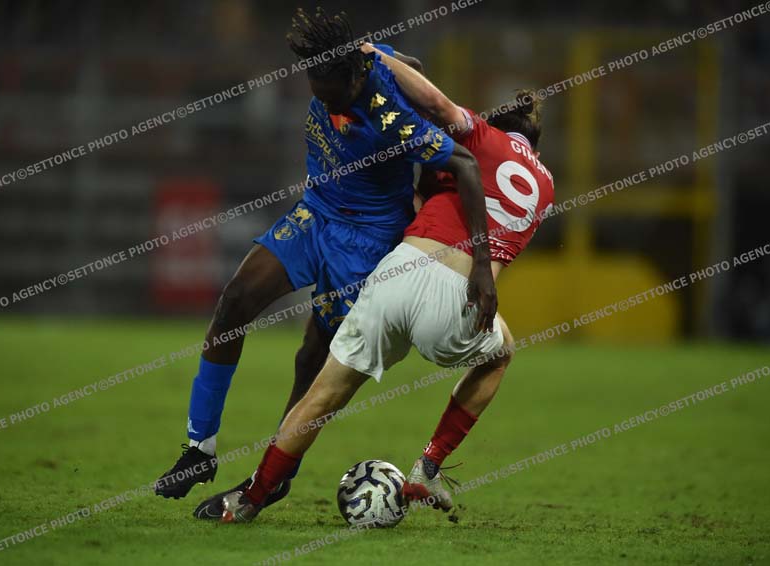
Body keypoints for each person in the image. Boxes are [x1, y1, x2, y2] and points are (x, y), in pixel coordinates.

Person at [154, 9, 497, 517]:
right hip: (316, 213)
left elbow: (465, 165)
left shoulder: (391, 117)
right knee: (235, 302)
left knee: (314, 355)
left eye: (333, 94)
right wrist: (385, 57)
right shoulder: (349, 65)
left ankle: (275, 476)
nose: (325, 101)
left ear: (356, 80)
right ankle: (198, 450)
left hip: (366, 240)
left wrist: (483, 265)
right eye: (316, 90)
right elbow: (411, 63)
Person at [220, 45, 555, 523]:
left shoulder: (479, 136)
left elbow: (434, 104)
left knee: (324, 394)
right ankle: (428, 466)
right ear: (535, 149)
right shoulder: (546, 187)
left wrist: (372, 53)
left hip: (395, 274)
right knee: (500, 353)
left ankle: (249, 499)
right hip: (454, 298)